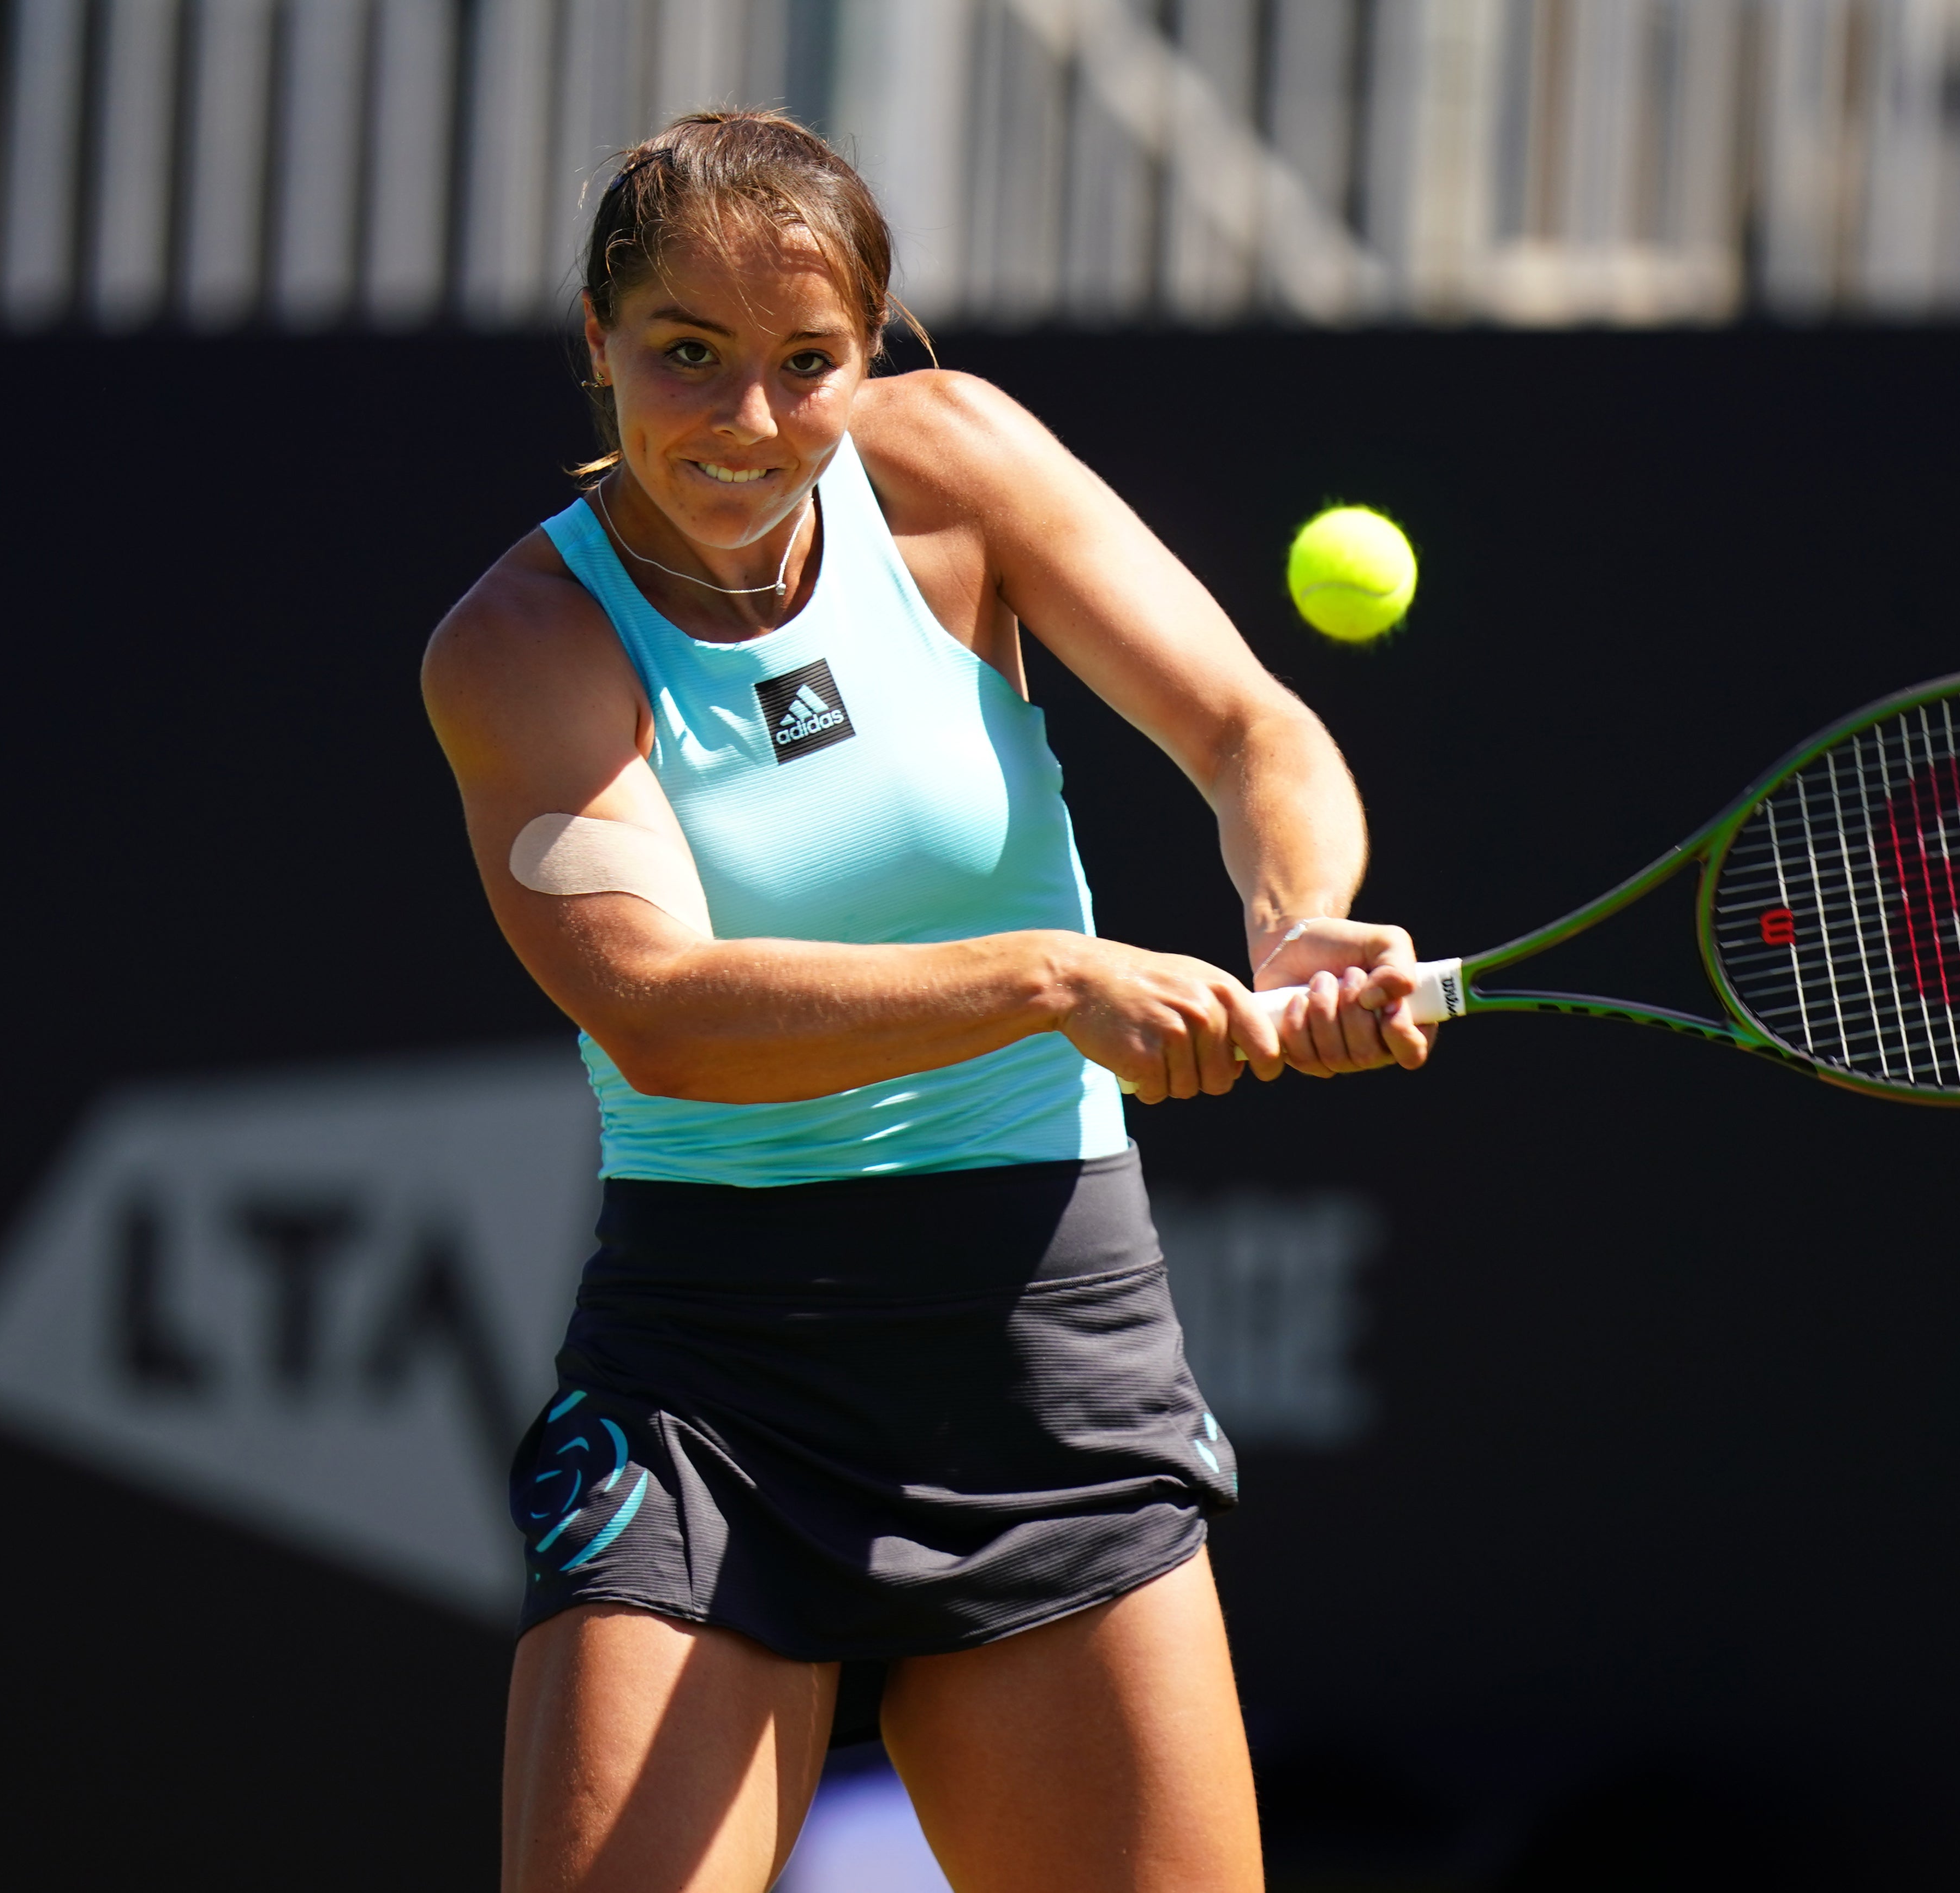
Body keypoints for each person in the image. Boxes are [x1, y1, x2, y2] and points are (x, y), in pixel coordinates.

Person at [421, 110, 1437, 1893]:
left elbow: (1245, 727)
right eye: (687, 356)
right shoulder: (519, 647)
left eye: (808, 365)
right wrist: (1050, 978)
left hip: (1044, 1347)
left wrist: (1299, 923)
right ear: (596, 342)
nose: (747, 424)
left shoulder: (955, 467)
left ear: (874, 355)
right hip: (718, 1389)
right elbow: (657, 1008)